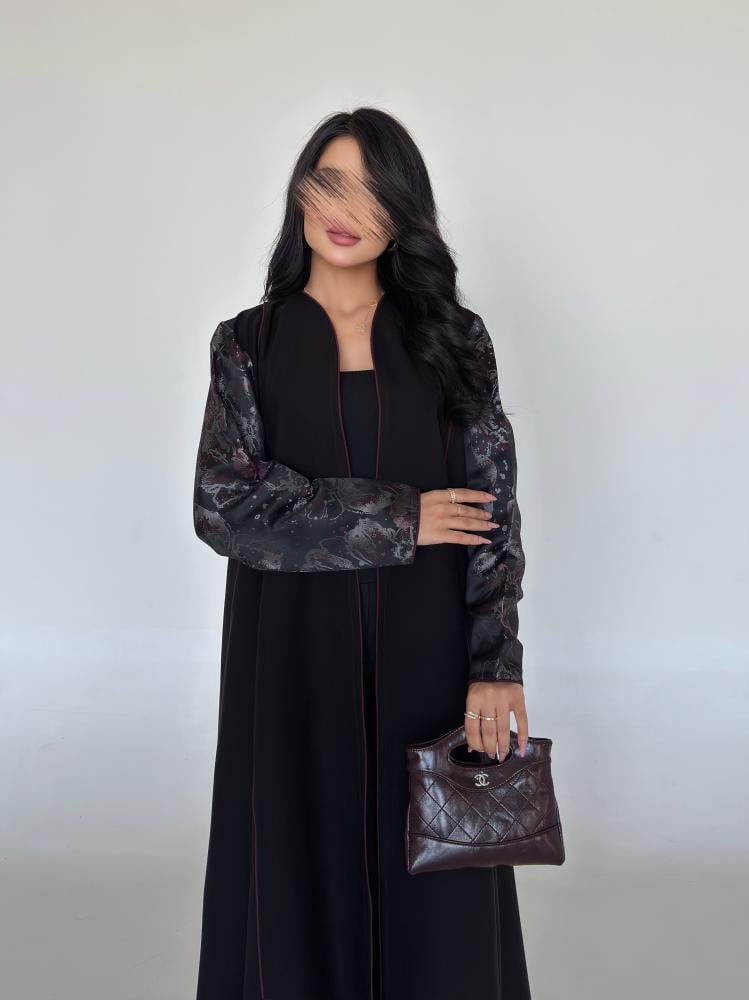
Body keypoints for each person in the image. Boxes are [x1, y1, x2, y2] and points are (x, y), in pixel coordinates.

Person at [192, 106, 531, 1000]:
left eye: (374, 194)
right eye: (330, 184)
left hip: (428, 657)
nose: (345, 211)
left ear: (403, 215)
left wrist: (496, 667)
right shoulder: (248, 345)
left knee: (437, 888)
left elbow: (493, 515)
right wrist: (401, 517)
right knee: (292, 872)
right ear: (301, 192)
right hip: (288, 663)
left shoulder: (452, 340)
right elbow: (224, 508)